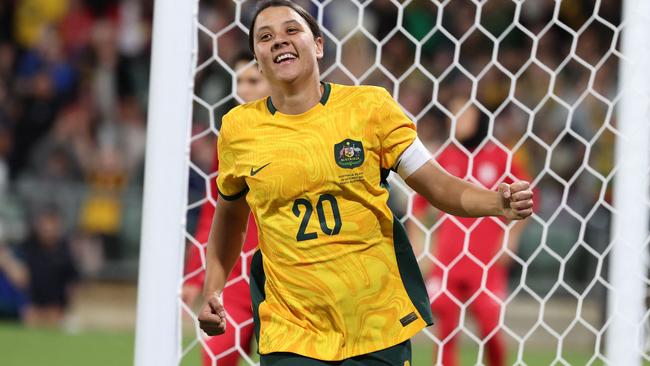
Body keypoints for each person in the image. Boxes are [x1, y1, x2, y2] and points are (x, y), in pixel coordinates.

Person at [198, 1, 534, 364]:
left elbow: (437, 185)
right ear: (257, 59)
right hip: (290, 329)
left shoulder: (371, 108)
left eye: (292, 30)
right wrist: (213, 290)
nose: (279, 40)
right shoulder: (238, 128)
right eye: (265, 37)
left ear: (319, 45)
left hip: (376, 324)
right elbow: (229, 215)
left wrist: (496, 203)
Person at [412, 99, 532, 366]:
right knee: (446, 330)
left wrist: (511, 238)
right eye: (453, 115)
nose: (456, 121)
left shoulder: (500, 156)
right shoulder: (444, 157)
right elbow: (418, 207)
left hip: (487, 260)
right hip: (449, 260)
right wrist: (420, 245)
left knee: (491, 328)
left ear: (479, 118)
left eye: (463, 115)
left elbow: (527, 197)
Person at [183, 51, 270, 366]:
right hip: (234, 279)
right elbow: (212, 211)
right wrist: (195, 275)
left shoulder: (300, 137)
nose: (242, 90)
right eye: (238, 81)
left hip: (283, 277)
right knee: (217, 359)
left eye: (252, 80)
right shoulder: (231, 138)